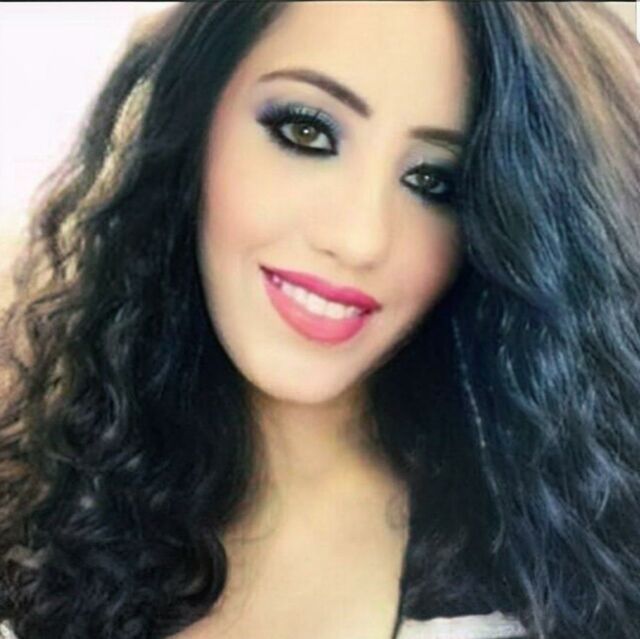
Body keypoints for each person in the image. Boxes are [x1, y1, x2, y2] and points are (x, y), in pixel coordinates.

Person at [0, 2, 638, 638]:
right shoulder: (42, 500)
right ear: (194, 118)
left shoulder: (550, 580)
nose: (359, 239)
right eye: (306, 132)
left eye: (434, 181)